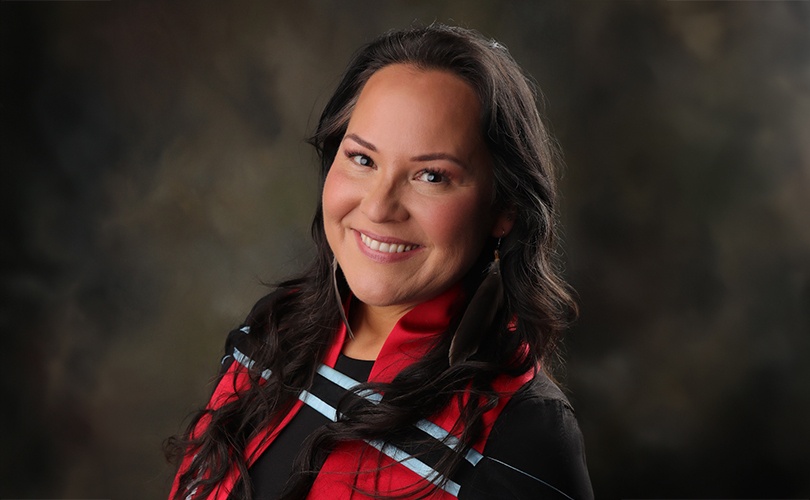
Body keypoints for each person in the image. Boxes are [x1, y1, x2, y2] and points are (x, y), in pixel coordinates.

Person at [167, 24, 593, 500]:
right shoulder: (272, 334)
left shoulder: (524, 430)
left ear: (503, 210)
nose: (378, 207)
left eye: (431, 175)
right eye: (363, 160)